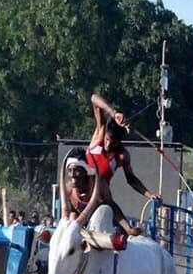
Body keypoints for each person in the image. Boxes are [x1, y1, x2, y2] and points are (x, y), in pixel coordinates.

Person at [65, 94, 161, 236]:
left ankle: (125, 233)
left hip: (100, 199)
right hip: (79, 197)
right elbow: (93, 98)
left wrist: (150, 195)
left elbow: (131, 180)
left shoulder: (122, 156)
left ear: (120, 141)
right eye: (107, 139)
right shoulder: (99, 134)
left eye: (113, 142)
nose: (108, 145)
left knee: (118, 232)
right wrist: (113, 113)